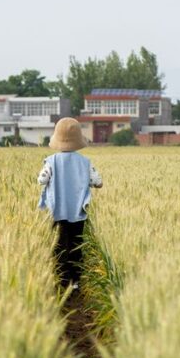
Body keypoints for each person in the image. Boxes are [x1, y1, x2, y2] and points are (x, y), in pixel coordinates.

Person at [37, 117, 103, 290]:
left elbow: (41, 180)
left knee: (58, 244)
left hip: (56, 211)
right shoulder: (85, 162)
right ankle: (75, 281)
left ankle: (61, 279)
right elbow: (98, 182)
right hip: (78, 212)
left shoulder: (51, 161)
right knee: (75, 245)